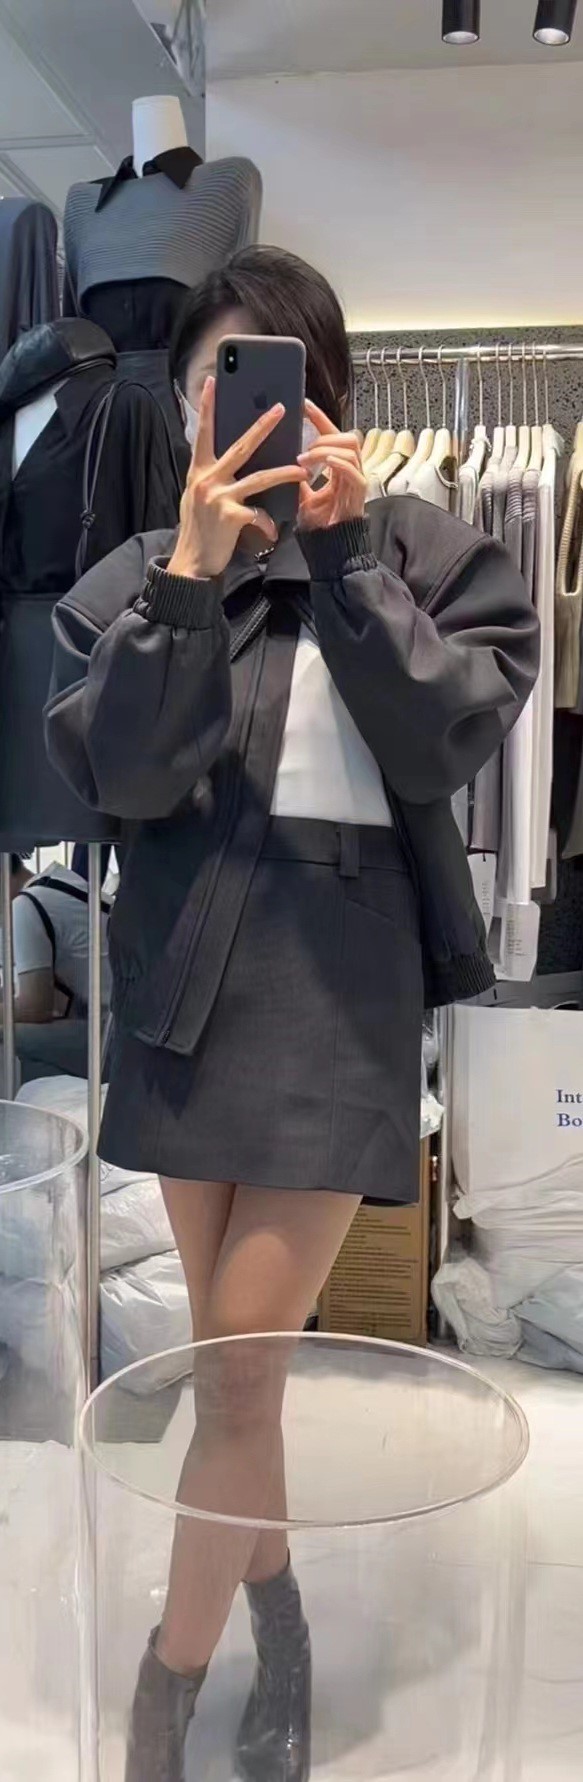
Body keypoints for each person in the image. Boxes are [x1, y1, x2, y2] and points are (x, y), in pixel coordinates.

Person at [45, 244, 540, 1781]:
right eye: (219, 374)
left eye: (275, 372)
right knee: (224, 1373)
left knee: (238, 1371)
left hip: (335, 991)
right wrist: (187, 584)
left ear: (326, 391)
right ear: (189, 401)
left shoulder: (426, 553)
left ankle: (161, 1693)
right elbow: (124, 778)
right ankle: (281, 1621)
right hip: (185, 979)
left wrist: (341, 558)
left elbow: (442, 739)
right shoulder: (147, 570)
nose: (245, 400)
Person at [0, 853, 112, 1024]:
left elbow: (35, 1008)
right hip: (139, 1015)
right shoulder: (53, 884)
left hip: (119, 1028)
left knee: (8, 1035)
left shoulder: (25, 905)